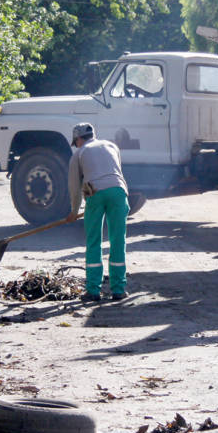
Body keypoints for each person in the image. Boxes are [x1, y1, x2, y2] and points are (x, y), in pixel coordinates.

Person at [67, 122, 130, 303]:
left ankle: (93, 290)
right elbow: (114, 172)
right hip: (119, 192)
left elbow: (74, 186)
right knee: (118, 240)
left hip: (95, 194)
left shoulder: (79, 153)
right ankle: (119, 290)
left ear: (78, 139)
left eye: (76, 141)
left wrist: (74, 210)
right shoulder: (111, 146)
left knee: (94, 241)